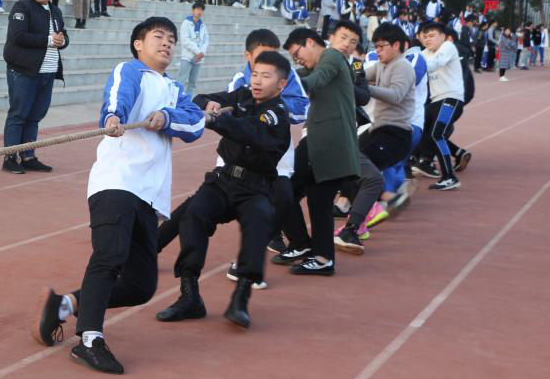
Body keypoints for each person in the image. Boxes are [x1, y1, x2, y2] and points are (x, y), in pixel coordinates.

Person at [32, 16, 205, 373]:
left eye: (172, 39)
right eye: (158, 36)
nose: (167, 43)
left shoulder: (175, 90)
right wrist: (113, 117)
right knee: (109, 256)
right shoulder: (130, 70)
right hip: (117, 182)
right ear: (138, 44)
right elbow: (117, 99)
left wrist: (166, 116)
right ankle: (90, 340)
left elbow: (196, 123)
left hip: (149, 196)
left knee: (141, 286)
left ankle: (64, 305)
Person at [156, 50, 291, 328]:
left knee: (259, 222)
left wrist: (217, 120)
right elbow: (200, 99)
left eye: (266, 76)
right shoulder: (241, 96)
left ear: (281, 85)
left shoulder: (276, 113)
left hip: (256, 187)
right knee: (194, 214)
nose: (257, 81)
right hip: (224, 179)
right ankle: (189, 295)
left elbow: (249, 130)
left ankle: (241, 297)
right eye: (254, 74)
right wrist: (211, 104)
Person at [279, 27, 360, 276]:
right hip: (320, 143)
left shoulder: (332, 57)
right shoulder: (318, 63)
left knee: (309, 197)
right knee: (295, 192)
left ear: (311, 42)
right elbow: (298, 74)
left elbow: (313, 80)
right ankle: (308, 247)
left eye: (297, 53)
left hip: (330, 144)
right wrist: (274, 76)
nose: (298, 59)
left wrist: (280, 87)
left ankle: (319, 255)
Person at [333, 22, 417, 254]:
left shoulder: (402, 67)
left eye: (382, 47)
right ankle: (371, 210)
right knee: (347, 162)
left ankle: (366, 214)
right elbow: (358, 75)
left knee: (359, 167)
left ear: (397, 45)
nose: (378, 51)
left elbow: (396, 95)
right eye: (376, 47)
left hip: (395, 134)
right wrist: (348, 68)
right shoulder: (381, 64)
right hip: (378, 130)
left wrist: (364, 90)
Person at [1, 0, 67, 174]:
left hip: (47, 72)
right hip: (23, 70)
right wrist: (49, 40)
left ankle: (28, 156)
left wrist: (63, 41)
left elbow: (63, 36)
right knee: (18, 114)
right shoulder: (22, 7)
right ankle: (10, 157)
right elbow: (18, 35)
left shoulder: (55, 11)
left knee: (35, 116)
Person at [413, 21, 465, 190]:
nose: (428, 39)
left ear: (443, 37)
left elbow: (434, 64)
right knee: (420, 131)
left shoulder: (448, 47)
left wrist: (412, 67)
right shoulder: (424, 53)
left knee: (437, 134)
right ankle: (421, 162)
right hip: (435, 101)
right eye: (425, 36)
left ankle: (449, 176)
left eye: (432, 35)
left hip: (450, 98)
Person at [177, 1, 209, 96]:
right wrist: (198, 52)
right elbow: (185, 40)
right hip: (187, 57)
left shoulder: (203, 25)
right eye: (197, 9)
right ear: (192, 10)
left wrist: (202, 53)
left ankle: (188, 102)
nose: (199, 12)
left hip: (199, 59)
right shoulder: (186, 23)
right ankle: (176, 101)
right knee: (181, 82)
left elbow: (206, 40)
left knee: (192, 83)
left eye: (201, 10)